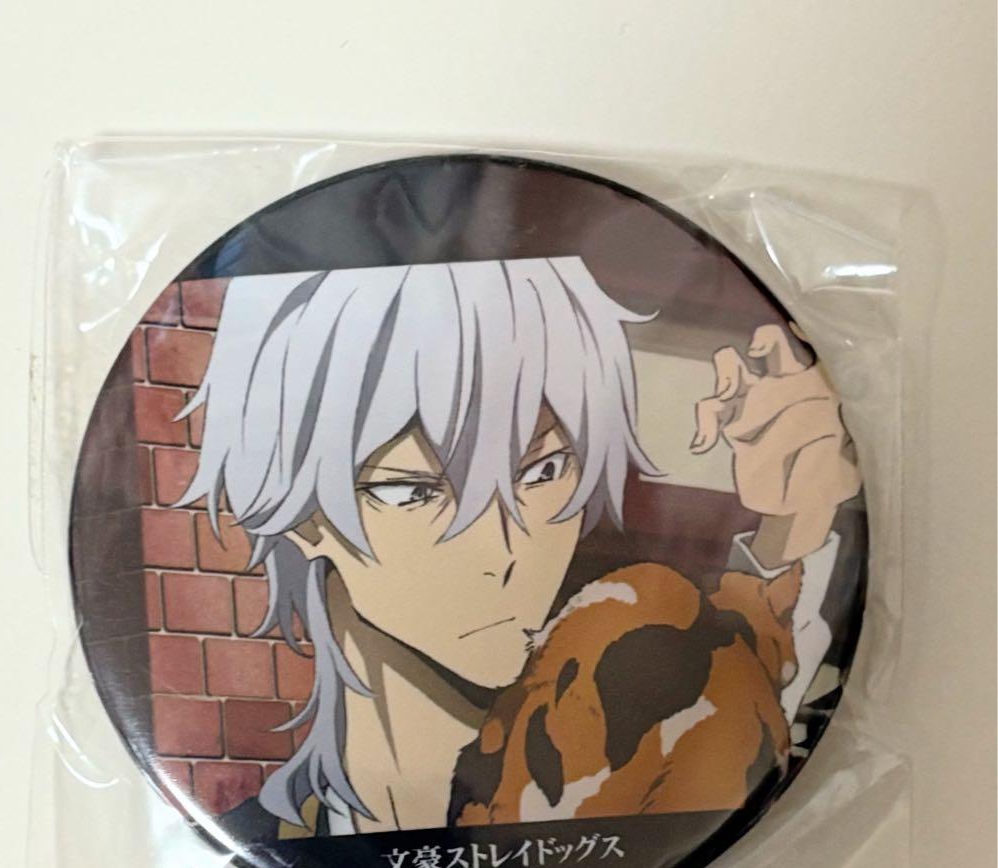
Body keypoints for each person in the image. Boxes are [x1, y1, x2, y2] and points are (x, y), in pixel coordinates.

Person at [178, 256, 860, 837]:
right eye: (413, 491)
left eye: (543, 471)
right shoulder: (264, 848)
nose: (504, 552)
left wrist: (793, 524)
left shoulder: (651, 777)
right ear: (300, 514)